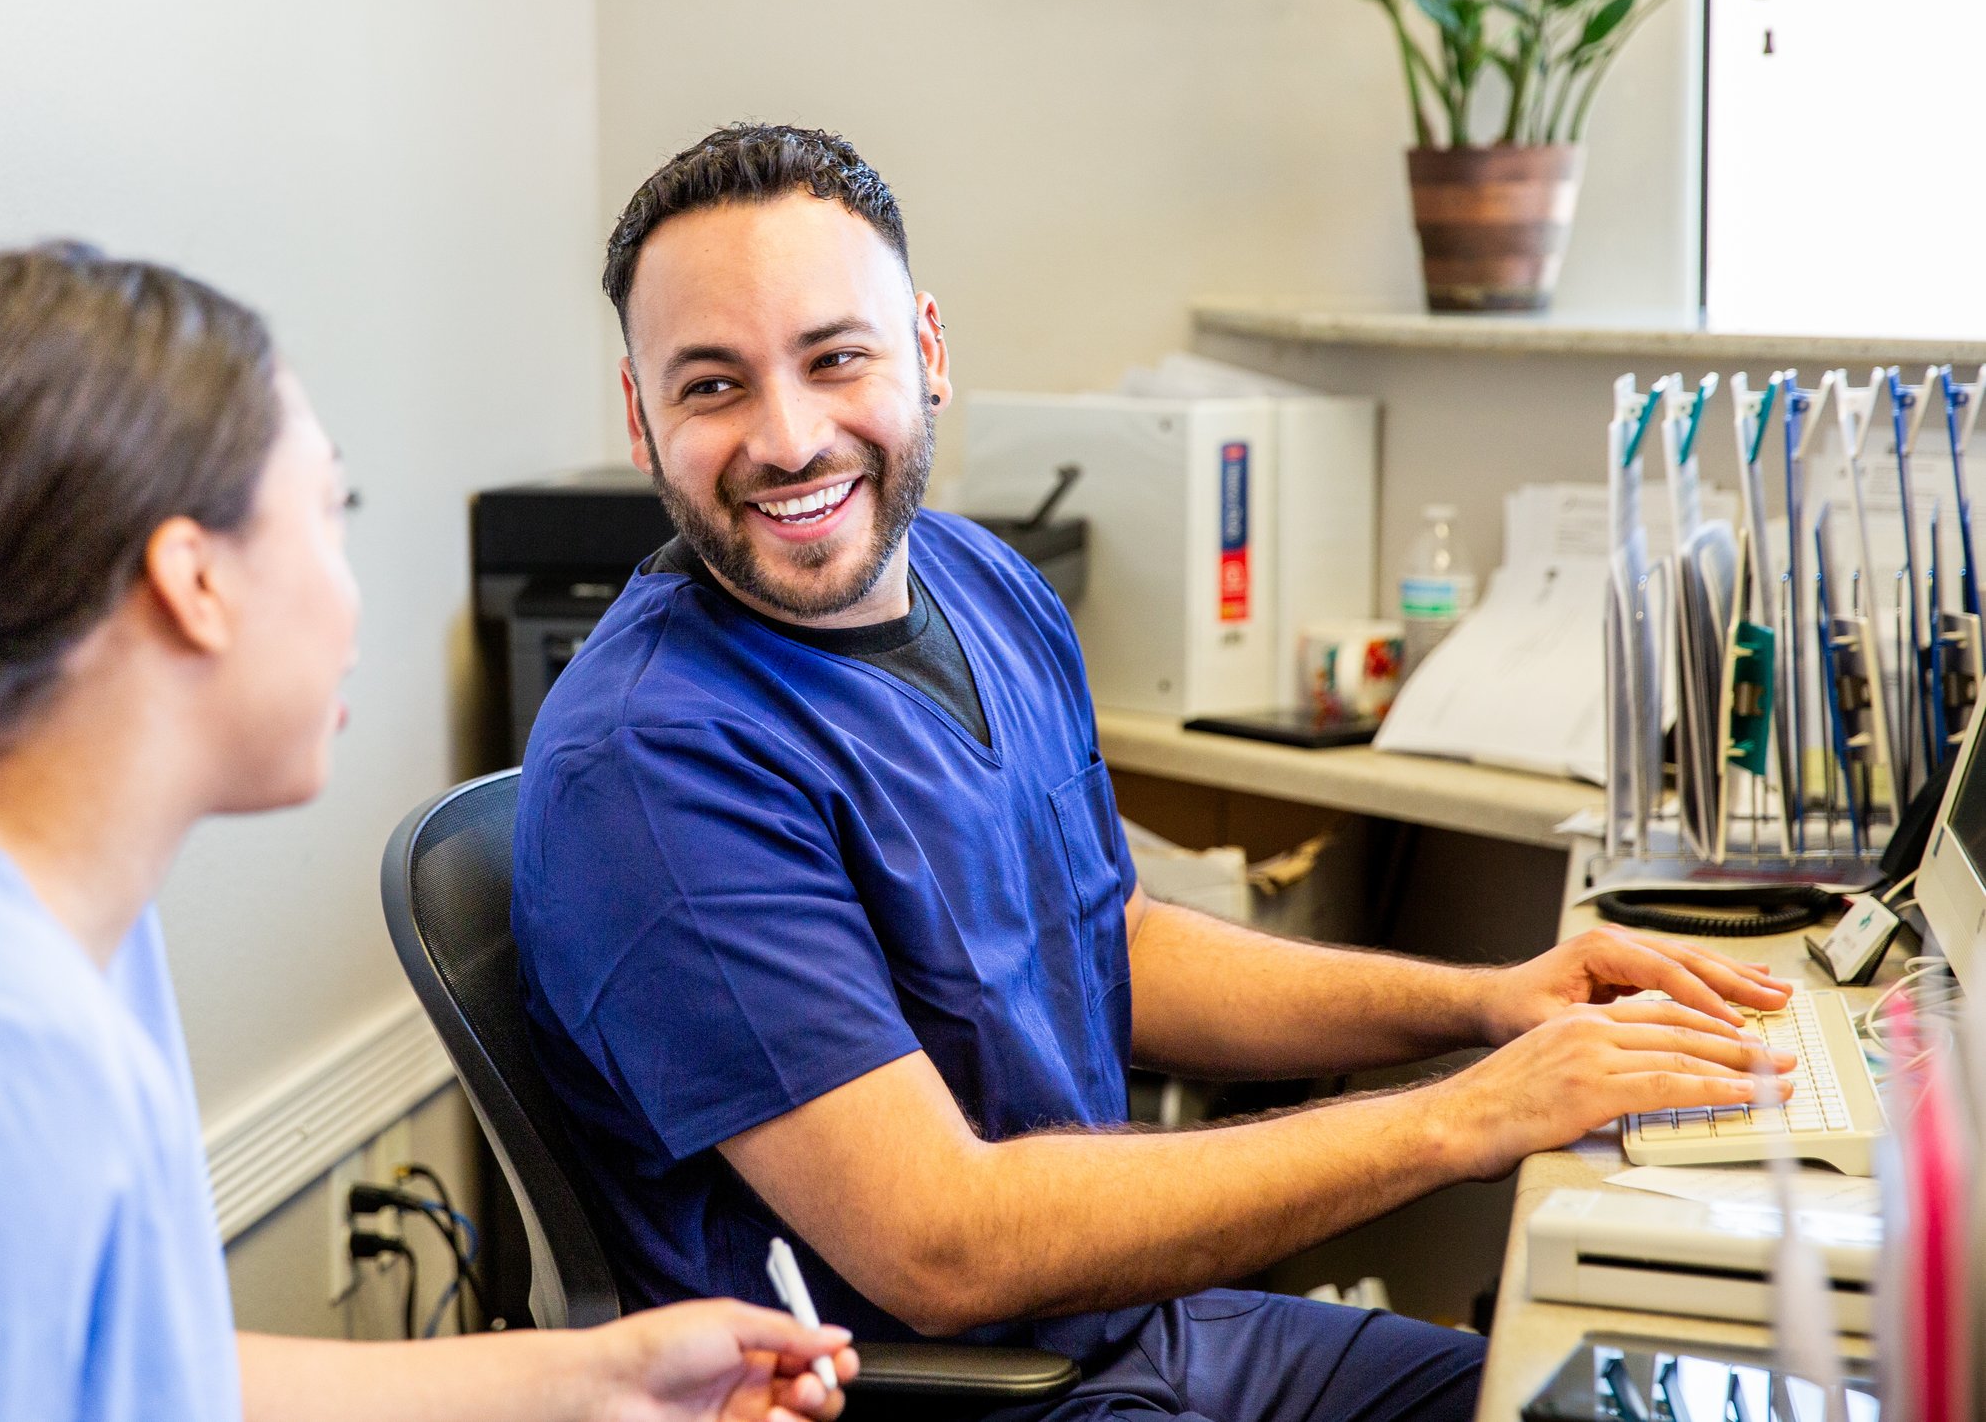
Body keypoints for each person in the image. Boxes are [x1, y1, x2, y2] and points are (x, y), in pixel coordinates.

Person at [508, 125, 1801, 1422]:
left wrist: (1486, 1004)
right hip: (981, 1396)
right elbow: (943, 1244)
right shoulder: (654, 765)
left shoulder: (985, 585)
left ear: (929, 352)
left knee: (1624, 1403)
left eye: (836, 357)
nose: (789, 439)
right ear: (640, 416)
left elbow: (1107, 941)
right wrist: (1464, 1117)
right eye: (713, 385)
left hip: (1143, 1335)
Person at [0, 244, 857, 1422]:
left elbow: (129, 1376)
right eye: (329, 514)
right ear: (197, 581)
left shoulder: (10, 884)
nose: (349, 598)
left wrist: (591, 1386)